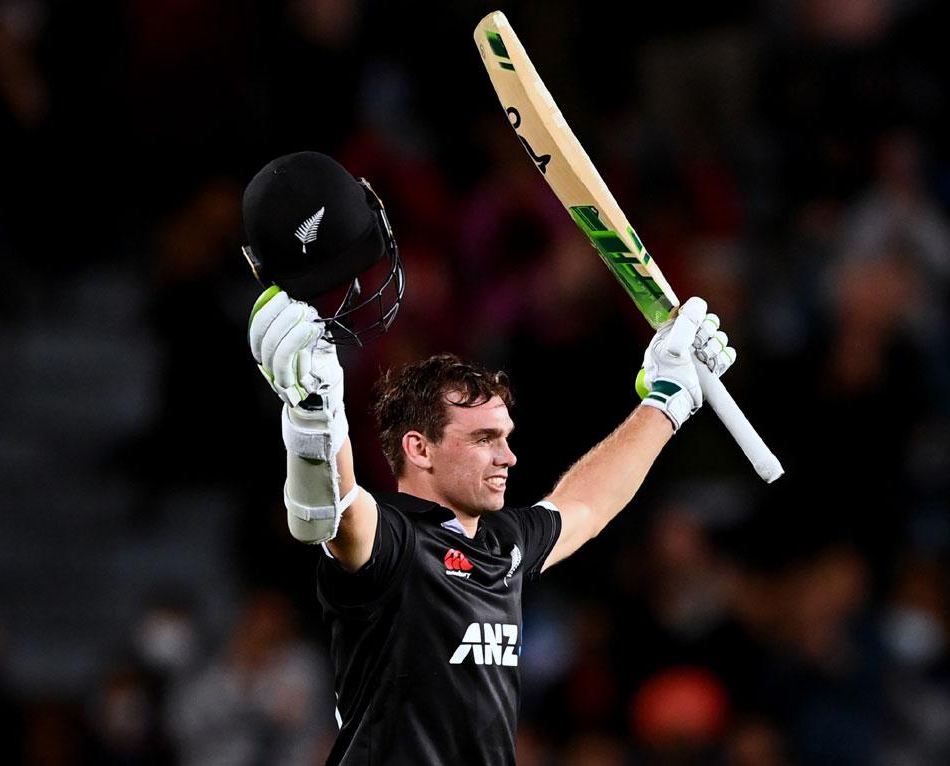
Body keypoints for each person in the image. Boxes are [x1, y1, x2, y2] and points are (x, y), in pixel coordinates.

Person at [241, 151, 736, 764]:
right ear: (417, 449)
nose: (507, 456)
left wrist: (667, 401)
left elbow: (583, 502)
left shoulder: (502, 546)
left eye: (504, 436)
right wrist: (313, 417)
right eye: (482, 439)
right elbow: (332, 515)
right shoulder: (394, 545)